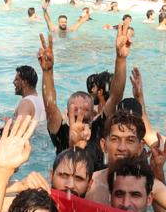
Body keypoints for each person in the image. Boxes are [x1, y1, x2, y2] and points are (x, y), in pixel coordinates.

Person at [39, 25, 130, 171]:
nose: (80, 123)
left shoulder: (101, 129)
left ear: (94, 115)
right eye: (75, 116)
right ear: (67, 116)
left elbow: (115, 96)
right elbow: (50, 104)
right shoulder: (61, 133)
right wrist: (47, 72)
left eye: (85, 118)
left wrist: (120, 59)